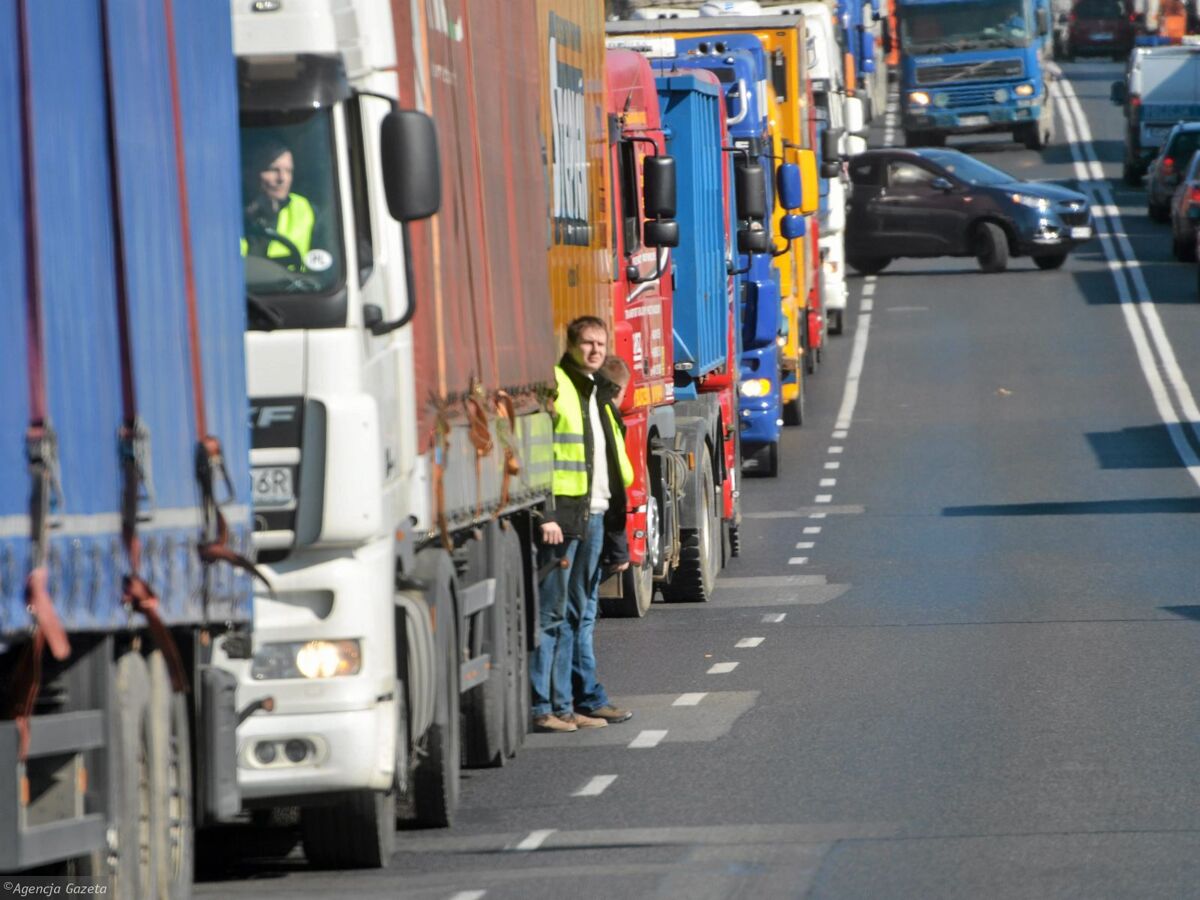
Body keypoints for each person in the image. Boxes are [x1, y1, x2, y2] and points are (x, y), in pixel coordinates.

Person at [530, 317, 635, 733]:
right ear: (571, 345)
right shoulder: (559, 385)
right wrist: (548, 513)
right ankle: (544, 707)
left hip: (594, 513)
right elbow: (541, 455)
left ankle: (568, 704)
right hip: (567, 518)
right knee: (553, 614)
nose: (594, 350)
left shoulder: (594, 392)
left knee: (575, 614)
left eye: (600, 344)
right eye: (587, 343)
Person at [241, 138, 316, 266]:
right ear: (249, 174)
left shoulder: (306, 209)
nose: (282, 178)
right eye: (273, 169)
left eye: (288, 171)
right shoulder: (229, 213)